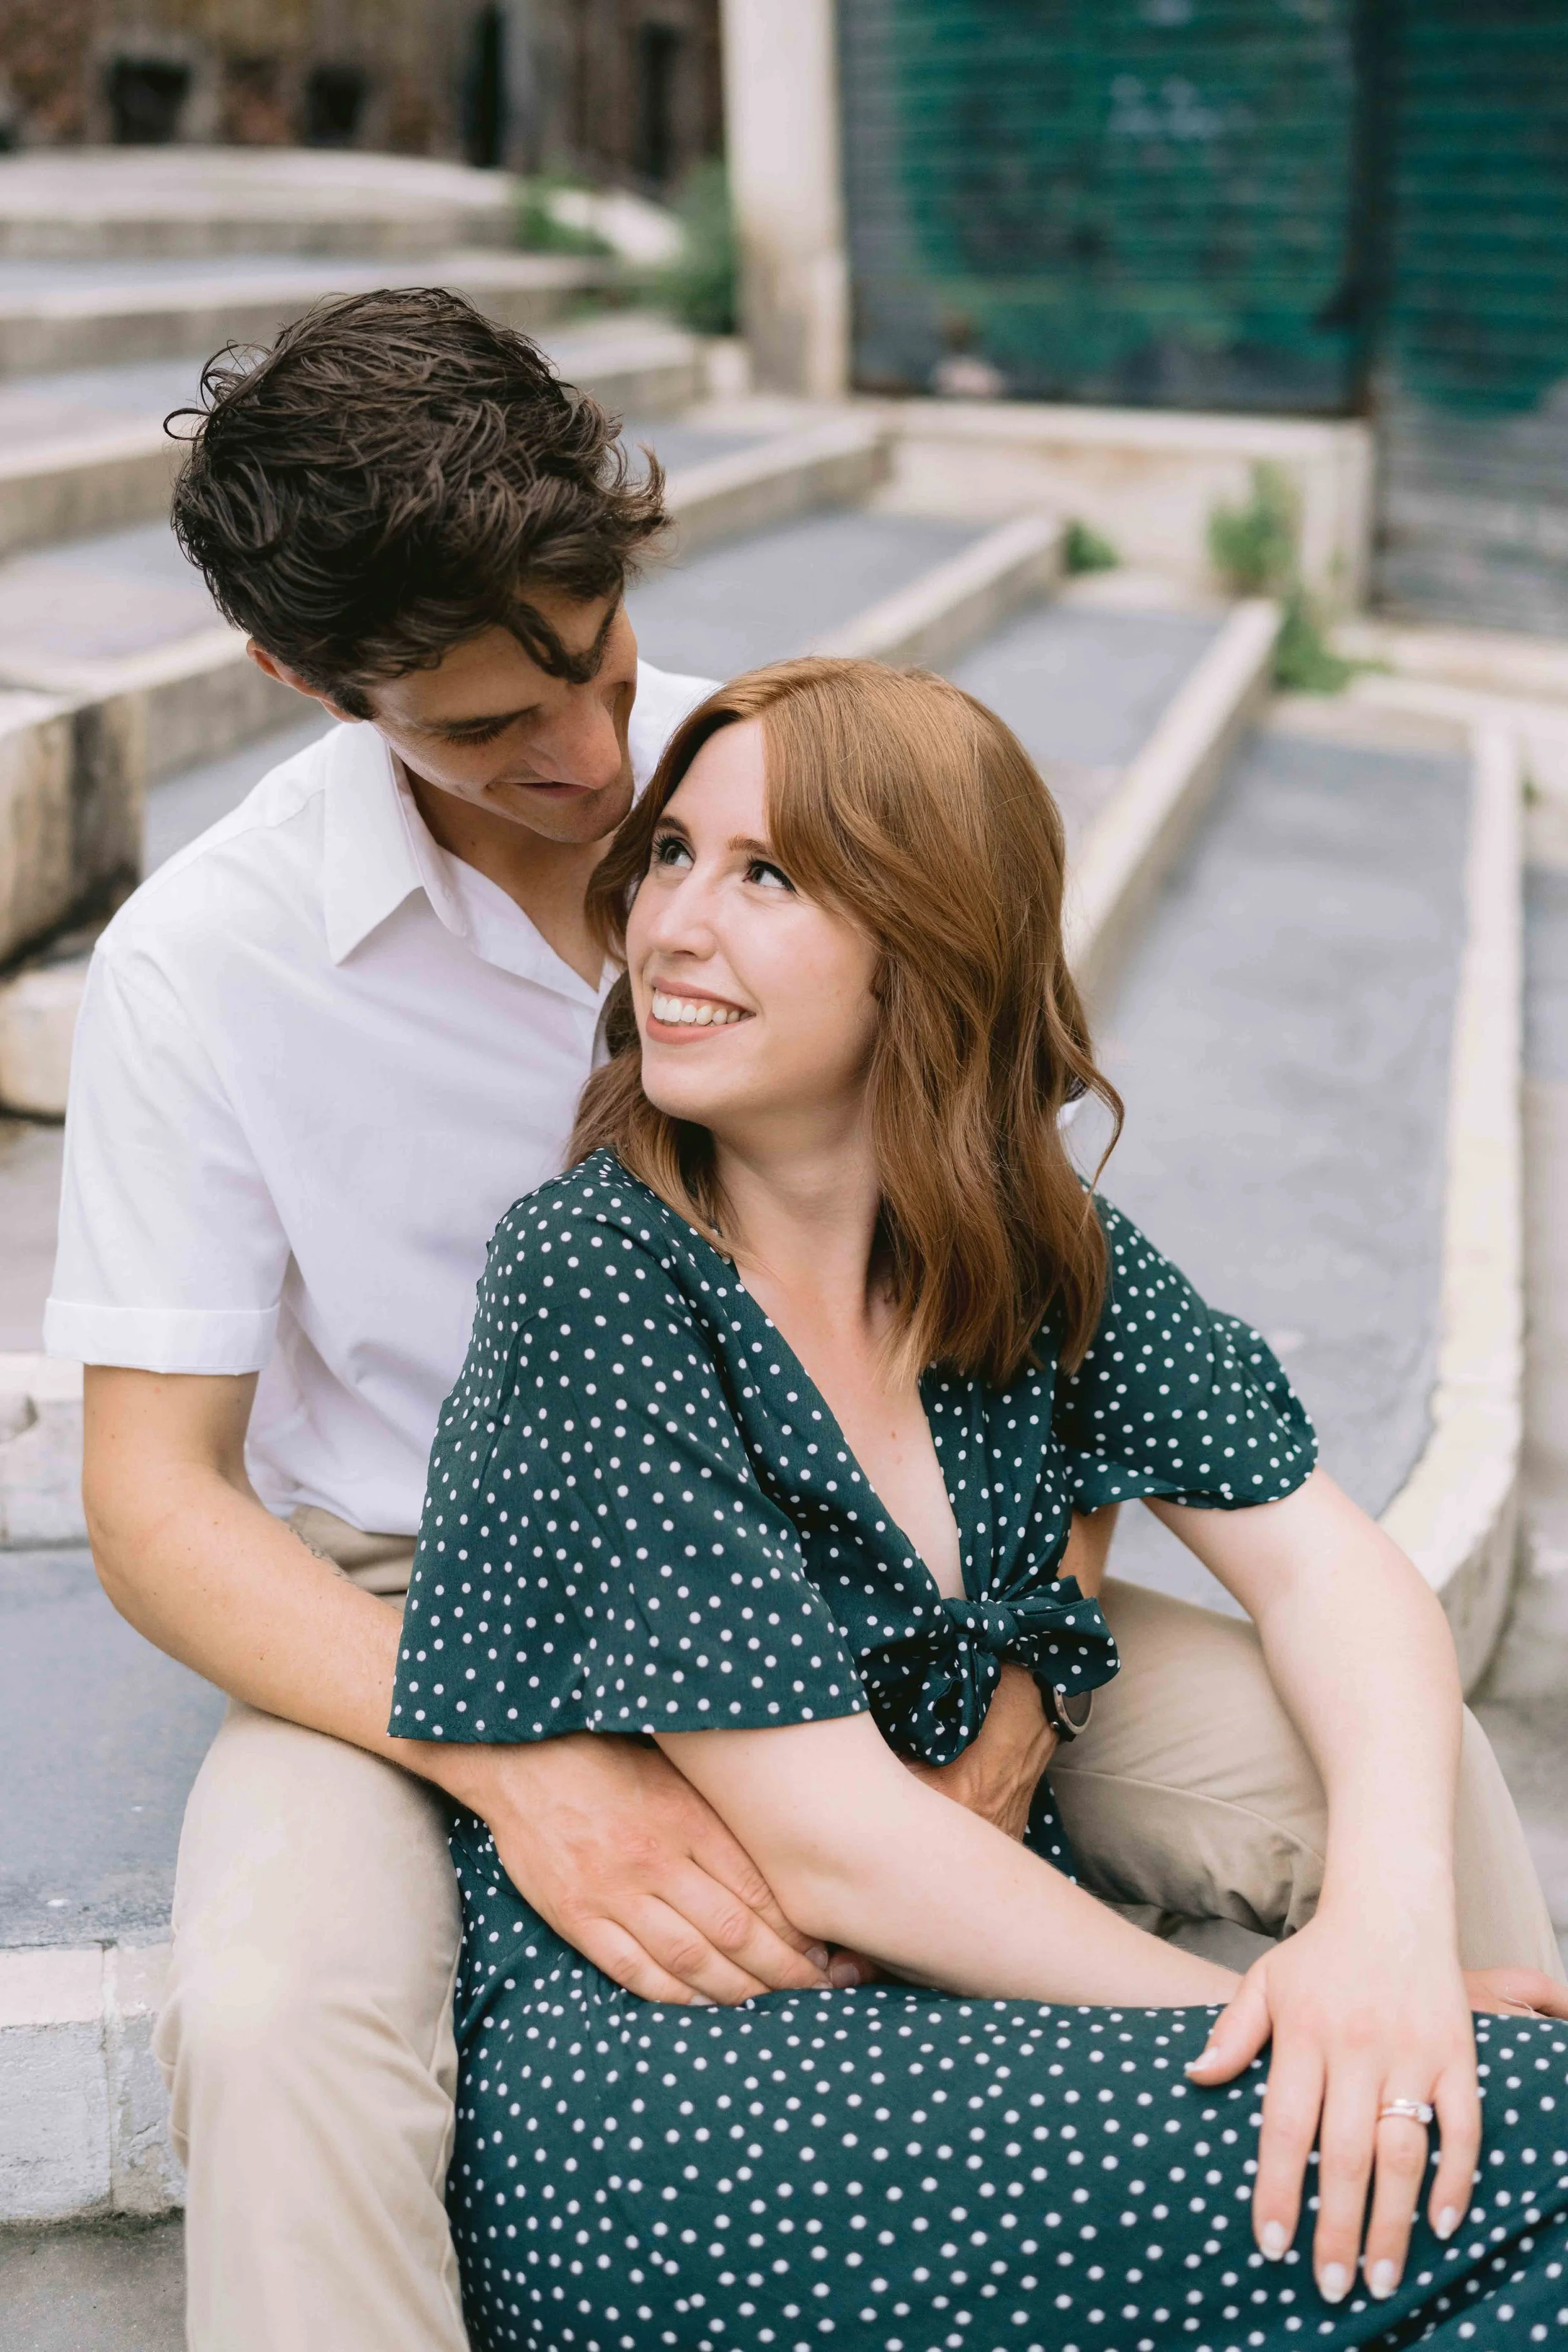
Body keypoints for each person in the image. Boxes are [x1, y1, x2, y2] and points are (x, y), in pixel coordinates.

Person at [48, 290, 1557, 2352]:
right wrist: (512, 1759)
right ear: (299, 677)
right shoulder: (204, 971)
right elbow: (149, 1500)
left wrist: (1039, 1645)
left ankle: (1414, 2181)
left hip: (900, 1540)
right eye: (489, 729)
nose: (587, 768)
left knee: (1396, 1768)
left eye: (590, 662)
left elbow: (1002, 1257)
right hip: (432, 1596)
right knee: (279, 2015)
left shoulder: (780, 794)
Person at [394, 657, 1568, 2352]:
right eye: (670, 856)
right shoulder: (596, 1273)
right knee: (1489, 2134)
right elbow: (832, 1843)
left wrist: (1382, 1939)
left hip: (958, 2031)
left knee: (1469, 2143)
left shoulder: (1027, 1251)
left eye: (765, 876)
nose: (667, 923)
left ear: (926, 944)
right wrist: (1300, 2022)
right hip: (694, 2102)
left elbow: (1327, 1565)